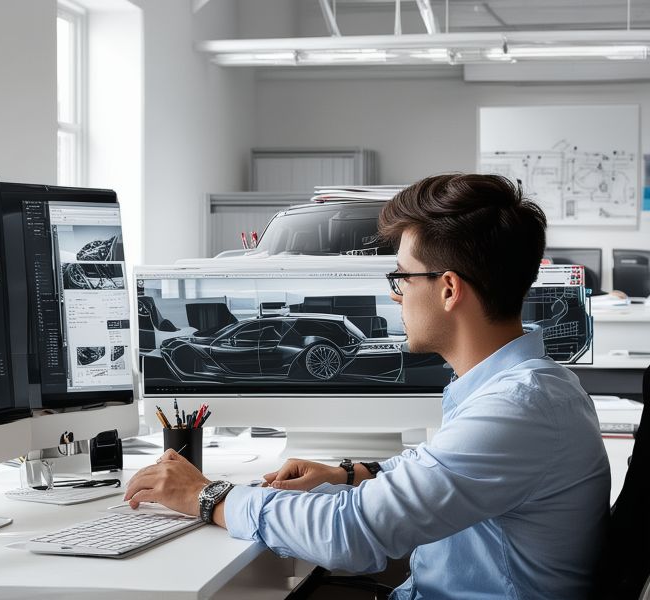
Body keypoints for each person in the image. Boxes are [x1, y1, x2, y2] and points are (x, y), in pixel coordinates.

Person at [125, 174, 610, 599]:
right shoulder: (519, 388)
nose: (394, 294)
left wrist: (209, 497)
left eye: (400, 277)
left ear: (448, 289)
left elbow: (352, 533)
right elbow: (440, 469)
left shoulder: (518, 407)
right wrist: (351, 474)